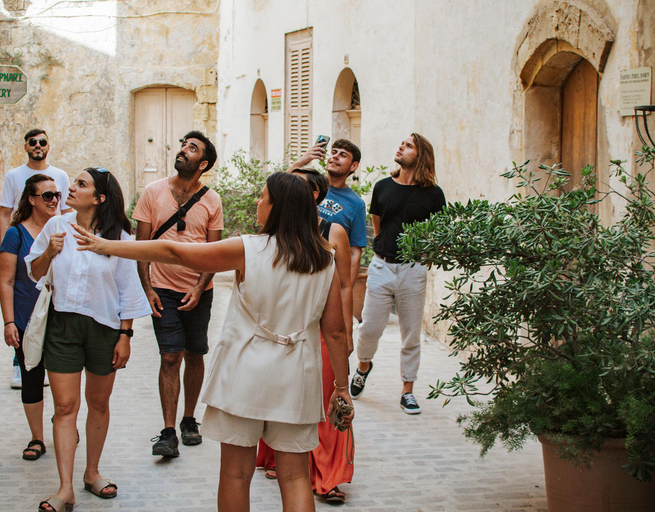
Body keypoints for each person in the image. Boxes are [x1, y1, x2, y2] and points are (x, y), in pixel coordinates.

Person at [73, 172, 354, 512]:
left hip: (243, 373)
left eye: (262, 197)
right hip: (296, 375)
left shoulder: (247, 249)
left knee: (236, 473)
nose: (257, 202)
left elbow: (174, 252)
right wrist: (341, 386)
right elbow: (336, 332)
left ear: (277, 207)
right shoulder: (323, 259)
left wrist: (106, 245)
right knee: (295, 477)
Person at [27, 167, 151, 512]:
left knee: (98, 404)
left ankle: (91, 472)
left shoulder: (120, 237)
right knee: (65, 407)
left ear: (99, 198)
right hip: (62, 326)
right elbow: (35, 273)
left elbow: (128, 289)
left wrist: (125, 336)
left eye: (81, 184)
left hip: (105, 329)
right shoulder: (56, 225)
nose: (71, 188)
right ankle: (65, 488)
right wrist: (49, 252)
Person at [257, 168, 355, 502]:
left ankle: (327, 475)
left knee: (324, 400)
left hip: (320, 328)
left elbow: (343, 284)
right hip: (282, 329)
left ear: (312, 194)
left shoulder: (333, 230)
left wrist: (346, 330)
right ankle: (276, 455)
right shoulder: (272, 231)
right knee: (279, 395)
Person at [131, 130, 223, 457]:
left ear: (204, 163)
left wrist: (200, 288)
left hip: (200, 291)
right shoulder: (152, 192)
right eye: (183, 145)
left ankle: (189, 420)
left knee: (195, 354)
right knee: (170, 355)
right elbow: (140, 247)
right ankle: (168, 432)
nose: (183, 150)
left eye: (192, 148)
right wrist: (147, 288)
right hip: (163, 290)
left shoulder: (212, 200)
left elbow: (214, 251)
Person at [350, 133, 446, 414]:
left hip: (413, 269)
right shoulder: (382, 187)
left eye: (408, 145)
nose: (401, 147)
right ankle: (364, 365)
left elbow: (438, 232)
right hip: (381, 265)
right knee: (369, 327)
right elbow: (378, 226)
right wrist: (384, 251)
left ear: (421, 155)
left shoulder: (433, 194)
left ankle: (407, 390)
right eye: (402, 144)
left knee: (410, 334)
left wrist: (421, 260)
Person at [0, 128, 71, 389]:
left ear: (49, 146)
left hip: (53, 245)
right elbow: (5, 213)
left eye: (42, 142)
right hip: (23, 243)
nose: (38, 146)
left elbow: (66, 211)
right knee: (25, 306)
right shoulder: (14, 176)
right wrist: (4, 247)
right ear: (26, 146)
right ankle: (22, 363)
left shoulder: (60, 176)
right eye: (33, 142)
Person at [0, 174, 59, 461]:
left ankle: (64, 425)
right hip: (26, 319)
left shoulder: (63, 229)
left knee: (63, 379)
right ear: (32, 199)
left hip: (60, 319)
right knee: (32, 378)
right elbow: (7, 281)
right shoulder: (15, 235)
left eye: (57, 195)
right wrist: (9, 322)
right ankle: (37, 438)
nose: (54, 200)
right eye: (47, 195)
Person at [289, 139, 366, 285]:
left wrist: (346, 288)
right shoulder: (308, 184)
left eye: (343, 155)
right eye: (333, 152)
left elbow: (354, 252)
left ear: (354, 165)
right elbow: (275, 190)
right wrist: (302, 161)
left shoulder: (356, 204)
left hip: (326, 276)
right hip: (293, 264)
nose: (335, 156)